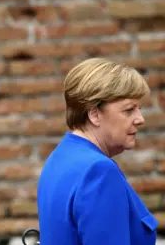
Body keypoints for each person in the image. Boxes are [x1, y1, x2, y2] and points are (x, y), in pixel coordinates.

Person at [37, 57, 157, 244]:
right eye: (128, 110)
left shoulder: (60, 157)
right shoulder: (99, 171)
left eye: (138, 108)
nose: (140, 119)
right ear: (94, 114)